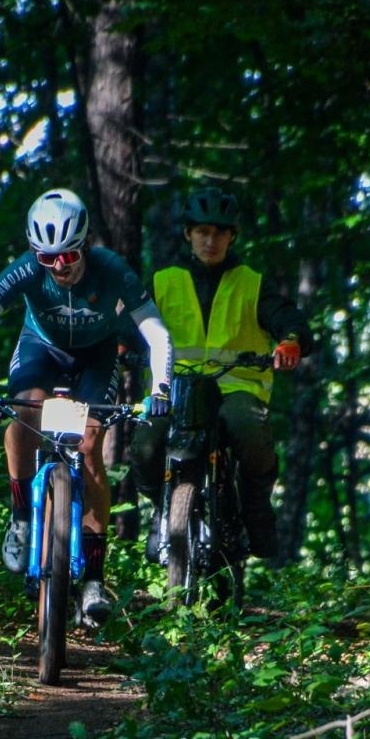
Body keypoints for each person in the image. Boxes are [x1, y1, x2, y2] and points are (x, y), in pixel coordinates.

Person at [0, 187, 174, 626]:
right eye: (46, 257)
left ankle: (93, 578)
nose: (57, 266)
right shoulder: (26, 272)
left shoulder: (111, 270)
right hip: (41, 349)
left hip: (97, 356)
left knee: (90, 446)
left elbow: (156, 332)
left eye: (68, 256)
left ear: (84, 245)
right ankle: (19, 516)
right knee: (23, 413)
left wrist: (161, 386)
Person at [130, 185, 313, 564]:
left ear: (232, 236)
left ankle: (257, 512)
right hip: (175, 388)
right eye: (202, 231)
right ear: (188, 234)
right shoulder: (163, 282)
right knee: (146, 446)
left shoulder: (252, 284)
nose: (210, 240)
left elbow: (288, 318)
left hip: (237, 387)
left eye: (219, 232)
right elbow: (130, 321)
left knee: (249, 432)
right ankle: (162, 511)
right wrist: (119, 342)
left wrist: (291, 341)